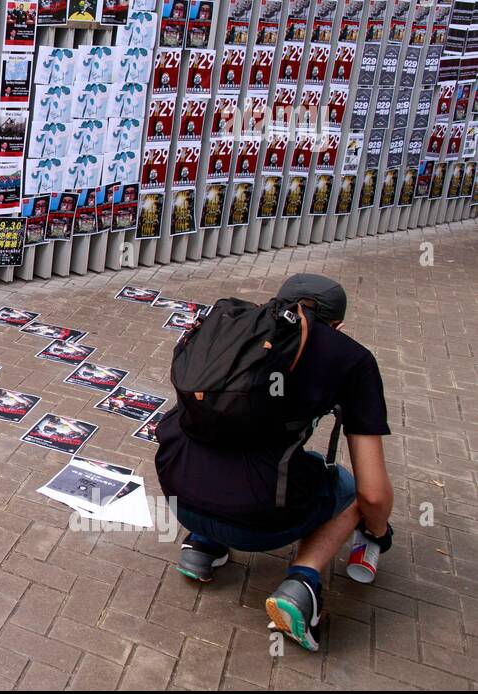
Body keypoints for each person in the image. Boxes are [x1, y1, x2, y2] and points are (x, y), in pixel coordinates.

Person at [154, 274, 394, 653]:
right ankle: (301, 585)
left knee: (238, 444)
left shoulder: (231, 326)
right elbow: (374, 492)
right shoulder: (352, 359)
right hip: (258, 520)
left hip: (177, 496)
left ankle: (202, 546)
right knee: (348, 490)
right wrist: (377, 530)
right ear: (339, 327)